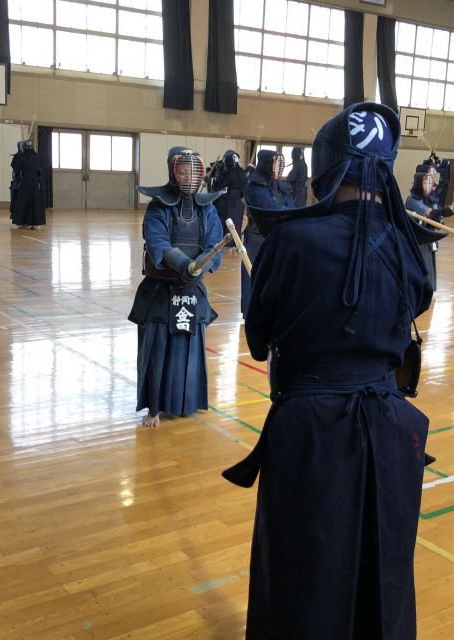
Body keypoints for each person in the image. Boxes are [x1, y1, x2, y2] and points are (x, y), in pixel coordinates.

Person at [223, 103, 435, 639]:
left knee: (302, 575)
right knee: (383, 571)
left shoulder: (289, 241)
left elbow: (259, 342)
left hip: (311, 436)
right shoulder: (408, 250)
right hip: (390, 434)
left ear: (325, 168)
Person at [128, 147, 223, 428]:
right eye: (183, 170)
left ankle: (186, 403)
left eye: (195, 171)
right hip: (161, 290)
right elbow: (157, 241)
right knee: (158, 351)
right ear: (173, 171)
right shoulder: (158, 207)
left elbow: (214, 244)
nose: (189, 177)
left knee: (188, 349)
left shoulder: (208, 209)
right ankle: (154, 409)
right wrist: (184, 265)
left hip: (192, 291)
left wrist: (200, 267)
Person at [241, 150, 295, 317]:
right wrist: (285, 212)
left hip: (279, 238)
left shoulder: (283, 187)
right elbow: (270, 208)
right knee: (253, 278)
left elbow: (292, 209)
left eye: (279, 164)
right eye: (274, 164)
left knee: (278, 278)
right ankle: (251, 315)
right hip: (256, 239)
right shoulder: (254, 187)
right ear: (266, 164)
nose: (278, 168)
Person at [405, 160, 452, 290]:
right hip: (417, 239)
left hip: (428, 238)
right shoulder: (412, 200)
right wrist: (447, 211)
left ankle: (428, 290)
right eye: (427, 182)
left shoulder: (431, 199)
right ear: (419, 183)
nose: (431, 185)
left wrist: (440, 219)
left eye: (431, 181)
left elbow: (437, 219)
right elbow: (429, 212)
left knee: (429, 265)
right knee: (419, 265)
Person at [211, 149, 246, 250]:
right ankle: (233, 245)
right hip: (236, 203)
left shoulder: (228, 173)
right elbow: (243, 189)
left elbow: (218, 187)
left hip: (226, 203)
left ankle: (226, 245)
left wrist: (217, 176)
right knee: (234, 227)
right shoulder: (240, 172)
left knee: (227, 227)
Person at [10, 140, 46, 230]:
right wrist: (40, 183)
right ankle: (35, 224)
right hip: (34, 183)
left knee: (23, 202)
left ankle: (21, 222)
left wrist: (17, 179)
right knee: (34, 202)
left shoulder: (21, 157)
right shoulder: (36, 156)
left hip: (25, 183)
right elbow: (39, 171)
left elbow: (16, 169)